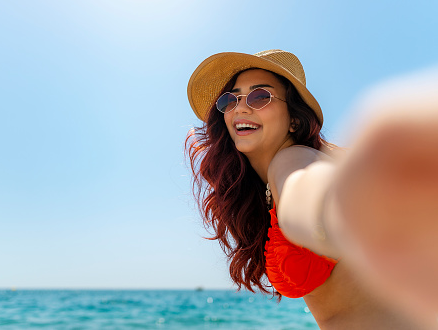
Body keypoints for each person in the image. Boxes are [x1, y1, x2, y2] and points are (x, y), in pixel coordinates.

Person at [185, 49, 437, 329]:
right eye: (230, 99)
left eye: (260, 96)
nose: (241, 107)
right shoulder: (272, 182)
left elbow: (308, 189)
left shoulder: (291, 160)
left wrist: (344, 212)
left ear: (293, 119)